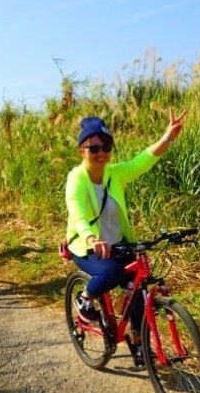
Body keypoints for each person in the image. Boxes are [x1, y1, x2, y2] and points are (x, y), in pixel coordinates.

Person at [64, 108, 186, 362]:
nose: (101, 153)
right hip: (85, 246)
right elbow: (76, 211)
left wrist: (168, 137)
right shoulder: (76, 179)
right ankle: (84, 299)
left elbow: (143, 161)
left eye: (106, 146)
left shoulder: (115, 173)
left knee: (138, 284)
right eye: (93, 148)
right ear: (82, 150)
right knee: (112, 273)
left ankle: (138, 342)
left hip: (117, 243)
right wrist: (89, 237)